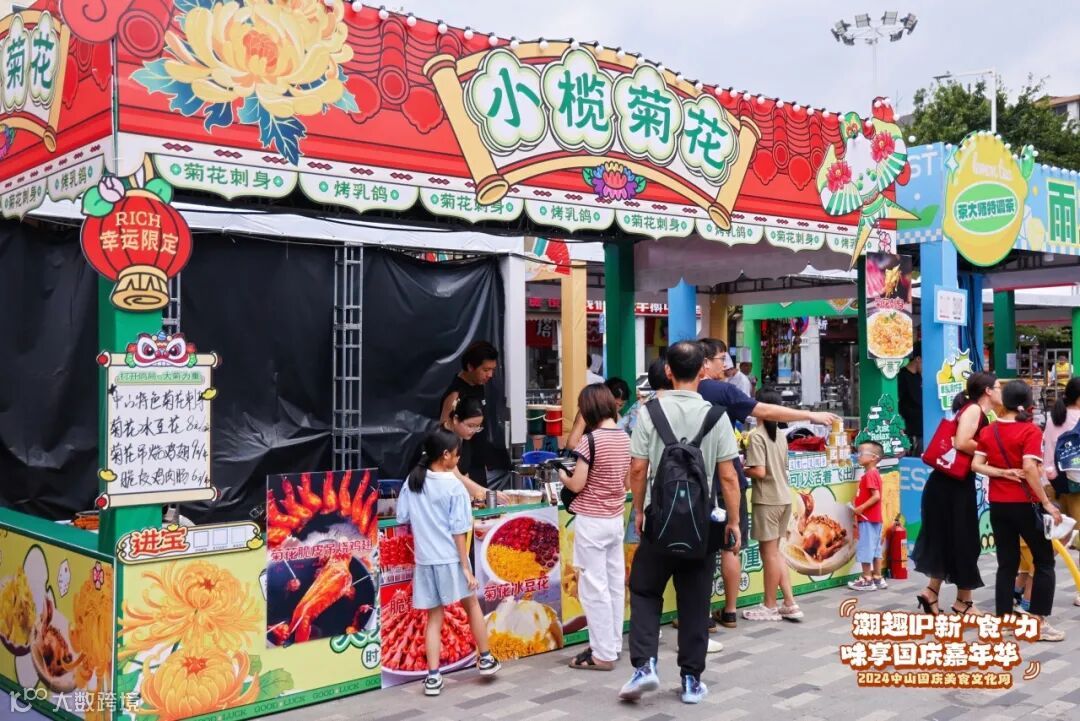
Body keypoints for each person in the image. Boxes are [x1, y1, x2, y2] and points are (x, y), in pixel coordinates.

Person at [619, 341, 741, 705]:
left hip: (658, 520)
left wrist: (640, 510)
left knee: (645, 590)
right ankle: (690, 681)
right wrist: (734, 522)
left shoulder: (649, 412)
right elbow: (729, 476)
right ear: (703, 371)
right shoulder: (716, 416)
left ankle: (645, 666)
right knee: (695, 601)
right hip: (702, 525)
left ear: (668, 371)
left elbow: (637, 469)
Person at [696, 337, 840, 629]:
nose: (726, 365)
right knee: (732, 546)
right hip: (730, 483)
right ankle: (738, 609)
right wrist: (809, 415)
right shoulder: (721, 391)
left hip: (696, 481)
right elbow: (764, 412)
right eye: (722, 358)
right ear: (705, 363)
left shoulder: (676, 394)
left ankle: (698, 614)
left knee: (703, 550)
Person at [396, 428, 502, 695]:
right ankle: (485, 658)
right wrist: (466, 568)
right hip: (450, 559)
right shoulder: (453, 486)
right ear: (445, 455)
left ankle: (433, 677)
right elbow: (459, 530)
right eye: (456, 455)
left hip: (425, 561)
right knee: (472, 605)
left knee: (434, 618)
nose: (458, 459)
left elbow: (401, 516)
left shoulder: (413, 481)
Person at [972, 380, 1064, 642]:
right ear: (1027, 403)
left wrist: (1001, 473)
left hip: (998, 505)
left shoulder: (989, 431)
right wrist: (1046, 502)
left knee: (1007, 564)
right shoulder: (1030, 430)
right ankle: (1038, 623)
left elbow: (976, 465)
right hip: (1026, 505)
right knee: (1044, 561)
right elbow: (1029, 468)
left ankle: (1003, 623)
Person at [910, 373, 999, 616]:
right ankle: (963, 602)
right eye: (998, 386)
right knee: (965, 542)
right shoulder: (974, 410)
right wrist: (990, 450)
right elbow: (961, 442)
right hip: (952, 486)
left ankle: (932, 593)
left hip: (949, 485)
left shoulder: (974, 410)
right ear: (988, 391)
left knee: (950, 540)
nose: (1001, 390)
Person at [559, 385, 631, 671]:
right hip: (615, 519)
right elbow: (627, 482)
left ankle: (601, 655)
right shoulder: (624, 437)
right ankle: (612, 644)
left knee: (594, 589)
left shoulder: (590, 441)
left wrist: (562, 475)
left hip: (591, 521)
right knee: (614, 585)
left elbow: (577, 484)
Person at [741, 389, 803, 622]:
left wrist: (740, 468)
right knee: (775, 553)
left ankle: (770, 605)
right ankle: (789, 602)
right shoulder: (780, 436)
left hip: (767, 500)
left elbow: (759, 471)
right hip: (783, 498)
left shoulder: (757, 436)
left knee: (769, 555)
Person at [1042, 376, 1080, 607]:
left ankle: (1030, 577)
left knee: (1059, 536)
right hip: (1077, 485)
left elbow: (1048, 451)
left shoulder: (1054, 417)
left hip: (1055, 484)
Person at [440, 341, 499, 485]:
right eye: (485, 370)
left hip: (478, 463)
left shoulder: (478, 384)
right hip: (460, 467)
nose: (490, 375)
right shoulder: (455, 394)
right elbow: (443, 434)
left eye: (492, 369)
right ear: (470, 367)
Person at [440, 398, 508, 505]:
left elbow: (464, 474)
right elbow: (456, 476)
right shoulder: (441, 439)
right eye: (470, 426)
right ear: (456, 419)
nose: (473, 431)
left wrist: (472, 499)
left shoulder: (464, 437)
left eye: (478, 426)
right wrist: (488, 494)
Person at [848, 442, 886, 592]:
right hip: (875, 518)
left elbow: (876, 496)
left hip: (867, 518)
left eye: (861, 453)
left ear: (873, 458)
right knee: (876, 549)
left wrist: (860, 508)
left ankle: (867, 579)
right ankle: (877, 576)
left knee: (866, 548)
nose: (858, 455)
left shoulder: (870, 474)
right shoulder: (874, 473)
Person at [564, 376, 634, 451]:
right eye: (615, 404)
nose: (616, 408)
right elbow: (571, 444)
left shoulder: (617, 417)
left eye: (621, 405)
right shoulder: (586, 412)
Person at [898, 346, 923, 454]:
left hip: (922, 427)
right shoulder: (902, 376)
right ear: (918, 359)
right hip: (910, 429)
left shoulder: (919, 377)